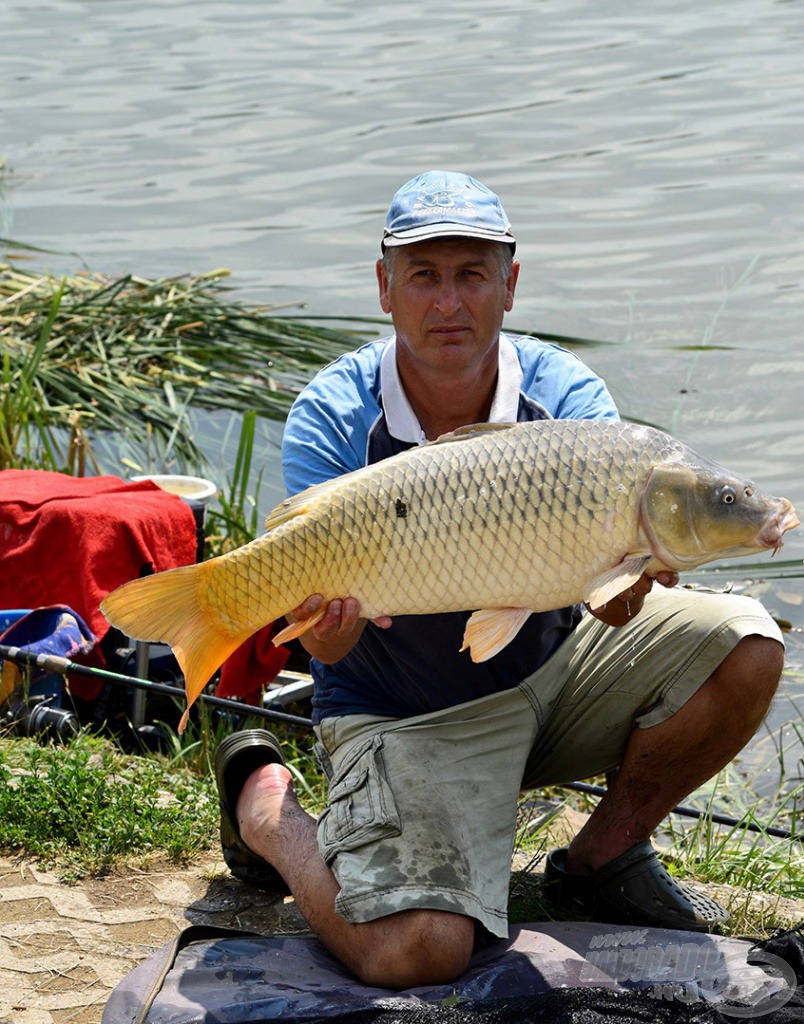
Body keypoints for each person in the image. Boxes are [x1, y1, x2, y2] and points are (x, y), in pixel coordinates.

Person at [214, 171, 785, 989]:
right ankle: (267, 812)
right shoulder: (334, 414)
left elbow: (614, 614)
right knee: (416, 954)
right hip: (405, 711)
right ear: (385, 287)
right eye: (425, 276)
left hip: (550, 675)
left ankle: (600, 860)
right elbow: (327, 643)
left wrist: (628, 579)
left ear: (509, 284)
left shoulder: (573, 401)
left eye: (472, 274)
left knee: (747, 641)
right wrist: (327, 624)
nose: (450, 301)